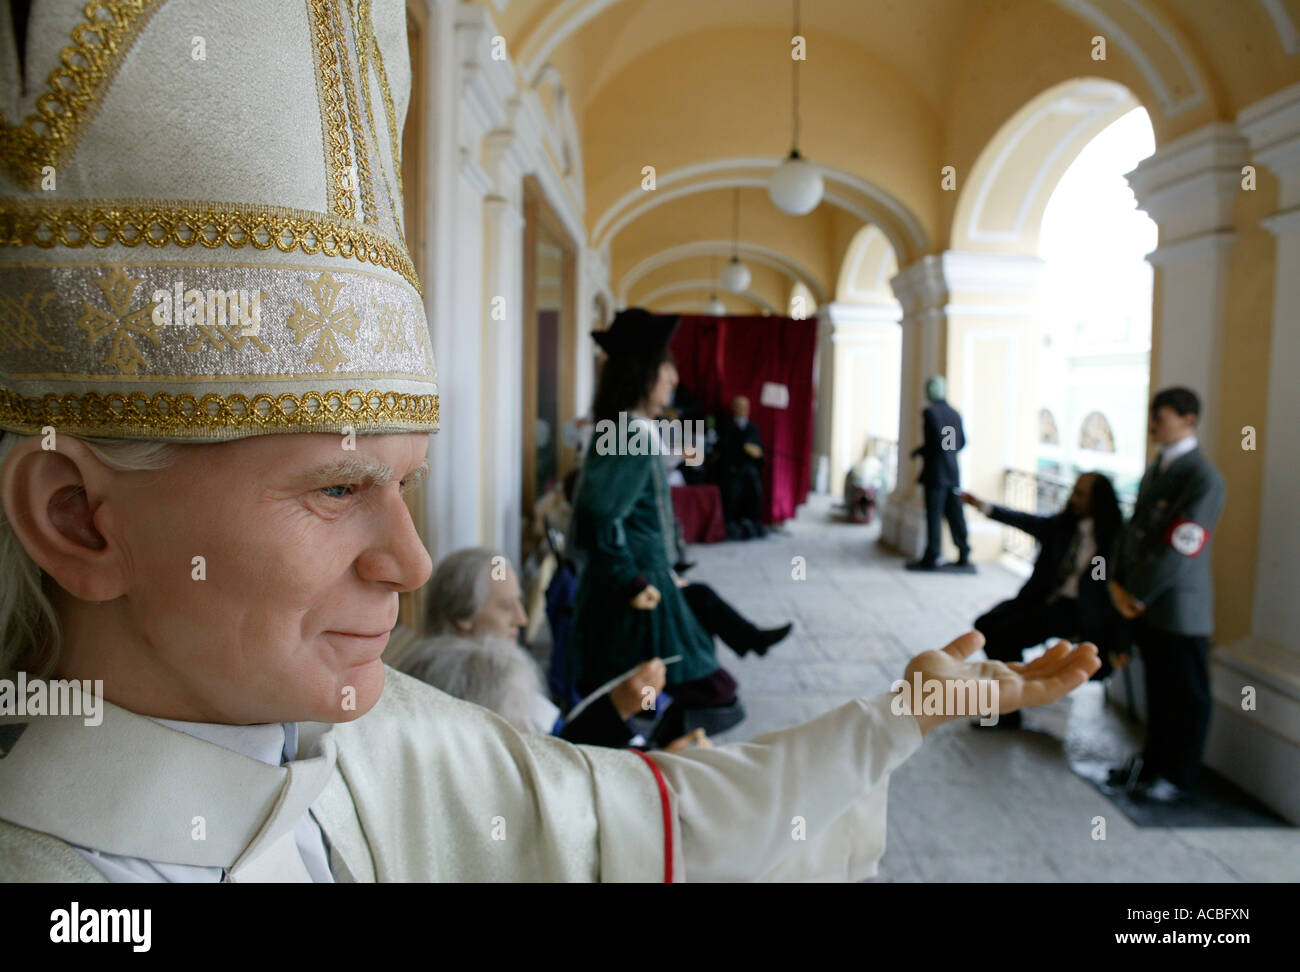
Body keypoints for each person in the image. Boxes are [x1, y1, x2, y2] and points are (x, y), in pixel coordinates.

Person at [0, 0, 1101, 883]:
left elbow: (649, 821)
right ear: (77, 517)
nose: (412, 562)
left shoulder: (380, 740)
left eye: (404, 483)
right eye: (336, 487)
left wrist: (904, 712)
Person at [569, 310, 750, 737]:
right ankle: (653, 761)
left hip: (642, 580)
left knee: (647, 685)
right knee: (693, 686)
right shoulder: (630, 431)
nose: (673, 376)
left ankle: (652, 755)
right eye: (664, 366)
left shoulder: (626, 426)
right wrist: (630, 579)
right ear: (642, 373)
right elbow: (599, 513)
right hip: (636, 587)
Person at [398, 548, 709, 752]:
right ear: (462, 616)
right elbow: (550, 776)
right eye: (507, 607)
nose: (521, 619)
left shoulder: (458, 667)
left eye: (520, 602)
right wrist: (620, 711)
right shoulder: (483, 676)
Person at [1106, 388, 1226, 803]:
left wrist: (1135, 593)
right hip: (1146, 602)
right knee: (1159, 691)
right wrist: (1118, 583)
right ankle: (1152, 764)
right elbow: (1135, 530)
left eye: (1162, 415)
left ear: (1189, 419)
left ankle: (1178, 776)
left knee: (1187, 694)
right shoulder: (1159, 469)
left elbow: (1183, 544)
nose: (1154, 423)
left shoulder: (1202, 477)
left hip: (1178, 606)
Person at [961, 472, 1129, 728]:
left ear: (1098, 500)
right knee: (986, 624)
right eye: (1074, 491)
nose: (1073, 498)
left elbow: (1118, 593)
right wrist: (984, 506)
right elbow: (1025, 521)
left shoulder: (1115, 538)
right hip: (1043, 599)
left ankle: (1008, 709)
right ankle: (1012, 695)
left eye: (1080, 494)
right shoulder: (1064, 525)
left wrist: (1120, 641)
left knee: (1004, 636)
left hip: (1078, 612)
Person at [906, 376, 973, 572]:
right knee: (955, 514)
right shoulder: (953, 414)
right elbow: (956, 444)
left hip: (936, 474)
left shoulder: (931, 413)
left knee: (934, 517)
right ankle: (963, 550)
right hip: (951, 472)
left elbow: (934, 443)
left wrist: (920, 451)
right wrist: (946, 452)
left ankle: (932, 555)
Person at [717, 395, 767, 539]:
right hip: (732, 468)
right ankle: (731, 522)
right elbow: (724, 450)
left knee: (755, 488)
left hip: (749, 468)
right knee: (732, 489)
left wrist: (754, 452)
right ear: (734, 408)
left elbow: (758, 451)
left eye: (745, 407)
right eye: (739, 406)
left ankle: (752, 521)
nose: (743, 410)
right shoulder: (726, 426)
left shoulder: (753, 427)